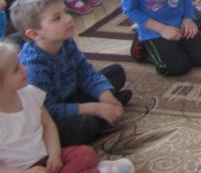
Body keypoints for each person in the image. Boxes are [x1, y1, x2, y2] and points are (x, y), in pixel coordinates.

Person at [10, 0, 132, 147]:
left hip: (71, 95)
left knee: (116, 72)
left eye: (65, 12)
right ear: (34, 34)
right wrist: (95, 108)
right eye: (57, 18)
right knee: (85, 124)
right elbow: (48, 110)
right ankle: (100, 117)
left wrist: (105, 95)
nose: (68, 18)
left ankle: (105, 109)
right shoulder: (33, 66)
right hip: (50, 116)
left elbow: (85, 72)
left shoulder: (66, 40)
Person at [0, 41, 135, 173]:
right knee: (85, 128)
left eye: (20, 64)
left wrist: (54, 155)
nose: (25, 68)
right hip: (19, 169)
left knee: (86, 153)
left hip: (45, 157)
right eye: (16, 69)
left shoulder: (31, 93)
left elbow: (48, 124)